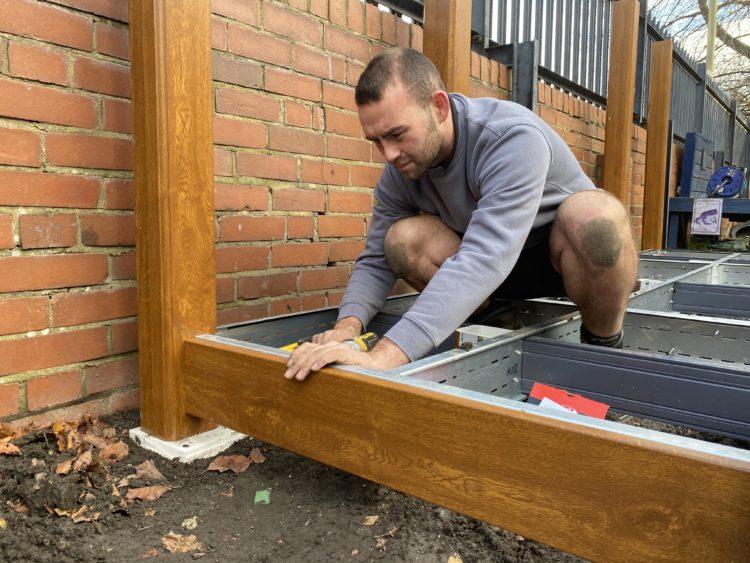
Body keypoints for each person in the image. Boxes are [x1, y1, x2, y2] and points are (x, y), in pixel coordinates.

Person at [284, 47, 637, 381]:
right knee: (401, 239)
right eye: (376, 141)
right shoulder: (400, 168)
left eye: (397, 134)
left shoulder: (510, 137)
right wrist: (346, 329)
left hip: (559, 264)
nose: (388, 154)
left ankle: (602, 344)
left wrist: (383, 358)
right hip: (490, 277)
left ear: (438, 107)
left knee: (595, 216)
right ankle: (491, 320)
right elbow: (376, 258)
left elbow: (485, 257)